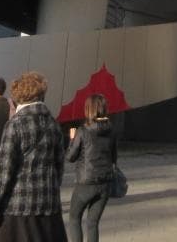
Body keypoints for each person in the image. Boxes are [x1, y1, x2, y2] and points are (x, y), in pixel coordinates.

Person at [0, 72, 66, 241]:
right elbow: (59, 167)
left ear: (18, 96)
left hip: (17, 210)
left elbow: (4, 171)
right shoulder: (54, 125)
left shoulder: (15, 125)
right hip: (49, 210)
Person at [66, 93, 117, 242]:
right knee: (93, 223)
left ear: (89, 109)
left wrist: (71, 140)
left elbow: (70, 157)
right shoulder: (112, 130)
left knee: (74, 218)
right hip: (105, 182)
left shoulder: (83, 131)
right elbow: (114, 157)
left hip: (86, 182)